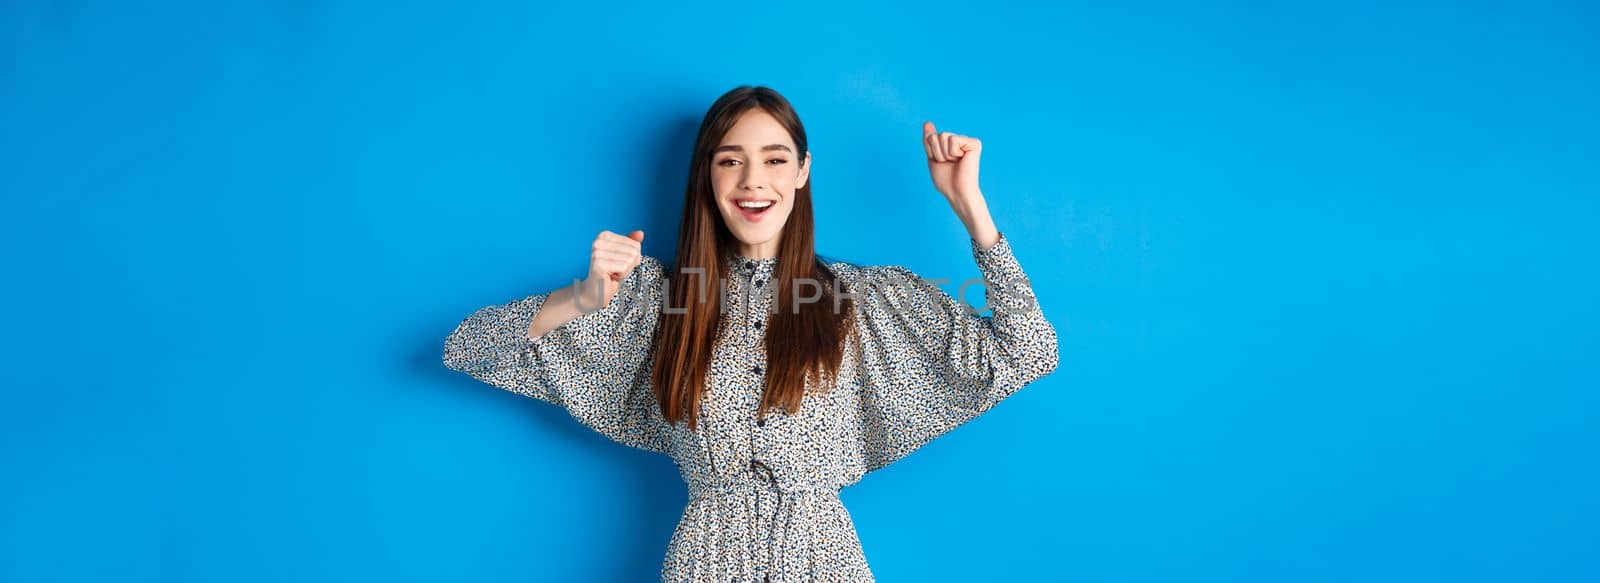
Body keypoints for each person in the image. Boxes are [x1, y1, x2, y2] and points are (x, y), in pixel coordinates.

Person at [442, 85, 1059, 582]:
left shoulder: (860, 299)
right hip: (703, 562)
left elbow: (1028, 350)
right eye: (730, 160)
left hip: (825, 562)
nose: (752, 180)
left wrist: (969, 207)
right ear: (707, 176)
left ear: (802, 172)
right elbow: (470, 345)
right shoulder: (659, 300)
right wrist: (587, 296)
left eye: (774, 159)